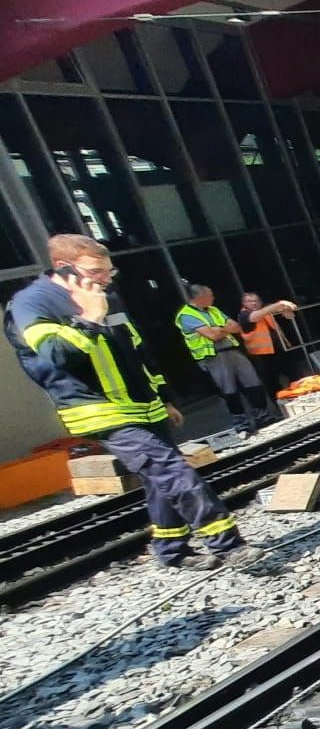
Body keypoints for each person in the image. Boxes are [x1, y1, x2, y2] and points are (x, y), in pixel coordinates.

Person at [6, 235, 262, 571]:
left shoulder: (106, 298)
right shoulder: (33, 303)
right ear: (63, 267)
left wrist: (164, 398)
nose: (106, 278)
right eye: (96, 271)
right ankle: (228, 545)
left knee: (160, 481)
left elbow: (139, 355)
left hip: (145, 406)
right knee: (173, 471)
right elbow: (54, 356)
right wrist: (89, 320)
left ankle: (172, 550)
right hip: (100, 412)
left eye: (109, 271)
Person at [177, 284, 276, 436]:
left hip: (232, 350)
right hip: (214, 356)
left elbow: (236, 327)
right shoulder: (187, 315)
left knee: (253, 383)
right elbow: (212, 335)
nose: (213, 297)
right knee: (229, 390)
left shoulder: (213, 310)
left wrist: (218, 329)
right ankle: (241, 423)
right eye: (210, 295)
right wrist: (222, 328)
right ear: (200, 297)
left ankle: (262, 416)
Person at [237, 292, 300, 394]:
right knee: (273, 385)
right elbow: (255, 316)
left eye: (256, 301)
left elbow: (289, 306)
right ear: (243, 303)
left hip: (280, 349)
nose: (254, 303)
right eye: (250, 301)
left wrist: (286, 308)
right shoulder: (243, 315)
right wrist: (280, 304)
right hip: (262, 356)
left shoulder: (266, 310)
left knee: (296, 376)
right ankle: (281, 405)